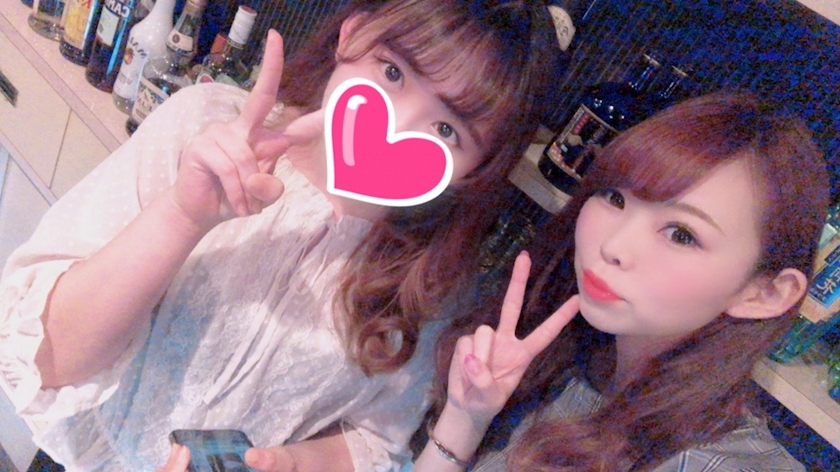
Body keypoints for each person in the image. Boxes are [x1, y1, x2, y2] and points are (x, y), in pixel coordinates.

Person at [0, 1, 565, 470]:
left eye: (446, 128)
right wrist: (183, 216)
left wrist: (291, 461)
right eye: (392, 72)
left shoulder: (435, 279)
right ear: (352, 32)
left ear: (477, 169)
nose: (396, 127)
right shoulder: (203, 128)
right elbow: (52, 362)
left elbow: (376, 437)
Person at [412, 92, 828, 471]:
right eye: (615, 197)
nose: (614, 245)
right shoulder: (578, 362)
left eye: (681, 234)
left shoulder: (717, 462)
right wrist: (466, 419)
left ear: (765, 294)